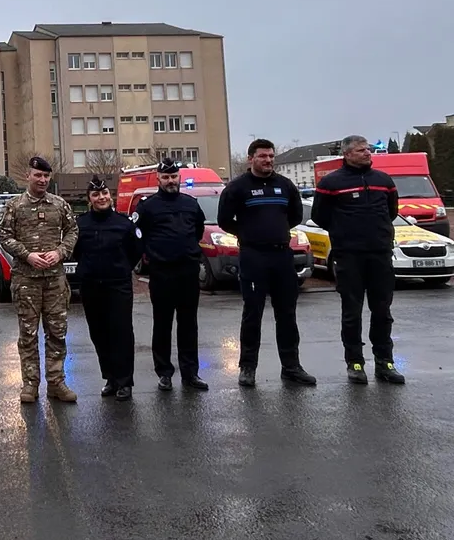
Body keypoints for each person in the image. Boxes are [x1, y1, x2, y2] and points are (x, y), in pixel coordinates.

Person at [218, 139, 316, 387]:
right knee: (253, 314)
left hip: (282, 256)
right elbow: (224, 220)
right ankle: (247, 368)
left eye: (271, 156)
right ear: (251, 158)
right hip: (253, 257)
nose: (269, 160)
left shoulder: (285, 186)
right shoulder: (238, 187)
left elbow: (294, 216)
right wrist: (249, 233)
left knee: (287, 314)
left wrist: (276, 232)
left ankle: (291, 366)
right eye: (263, 156)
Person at [312, 135, 404, 385]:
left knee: (382, 311)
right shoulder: (331, 182)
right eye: (362, 150)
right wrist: (345, 232)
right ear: (347, 154)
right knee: (352, 313)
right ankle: (355, 363)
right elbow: (320, 216)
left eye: (369, 150)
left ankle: (385, 362)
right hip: (349, 256)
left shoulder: (383, 181)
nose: (368, 153)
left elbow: (392, 211)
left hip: (380, 254)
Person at [0, 155, 79, 404]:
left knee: (57, 333)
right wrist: (27, 255)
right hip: (27, 280)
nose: (42, 180)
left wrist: (60, 252)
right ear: (28, 176)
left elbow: (73, 231)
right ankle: (30, 384)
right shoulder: (14, 206)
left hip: (54, 280)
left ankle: (56, 383)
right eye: (38, 175)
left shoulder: (60, 204)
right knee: (28, 334)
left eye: (46, 176)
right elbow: (4, 235)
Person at [132, 157, 208, 391]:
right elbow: (137, 236)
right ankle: (164, 373)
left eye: (174, 176)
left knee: (188, 324)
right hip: (161, 272)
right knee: (162, 324)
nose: (170, 181)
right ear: (158, 179)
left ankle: (190, 373)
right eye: (165, 177)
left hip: (187, 271)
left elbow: (198, 230)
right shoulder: (147, 206)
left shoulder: (190, 203)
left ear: (179, 178)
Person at [73, 174, 142, 401]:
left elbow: (135, 252)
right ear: (89, 199)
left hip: (117, 285)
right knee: (99, 333)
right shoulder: (80, 224)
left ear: (109, 196)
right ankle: (110, 378)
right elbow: (75, 252)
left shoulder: (123, 223)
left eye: (104, 193)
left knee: (121, 332)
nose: (101, 197)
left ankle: (125, 381)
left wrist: (121, 269)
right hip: (91, 285)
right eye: (96, 194)